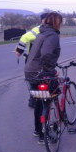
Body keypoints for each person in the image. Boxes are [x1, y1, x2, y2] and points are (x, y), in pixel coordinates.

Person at [24, 12, 63, 144]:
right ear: (56, 23)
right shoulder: (52, 35)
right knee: (46, 102)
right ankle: (43, 135)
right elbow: (46, 54)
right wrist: (51, 72)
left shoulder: (43, 32)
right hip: (39, 73)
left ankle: (37, 130)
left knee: (39, 103)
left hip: (30, 71)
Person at [16, 13, 49, 108]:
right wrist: (19, 51)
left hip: (42, 61)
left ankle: (38, 101)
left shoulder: (49, 30)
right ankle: (35, 102)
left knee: (42, 82)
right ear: (42, 20)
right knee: (35, 83)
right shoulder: (38, 30)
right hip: (33, 62)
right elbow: (24, 37)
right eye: (48, 19)